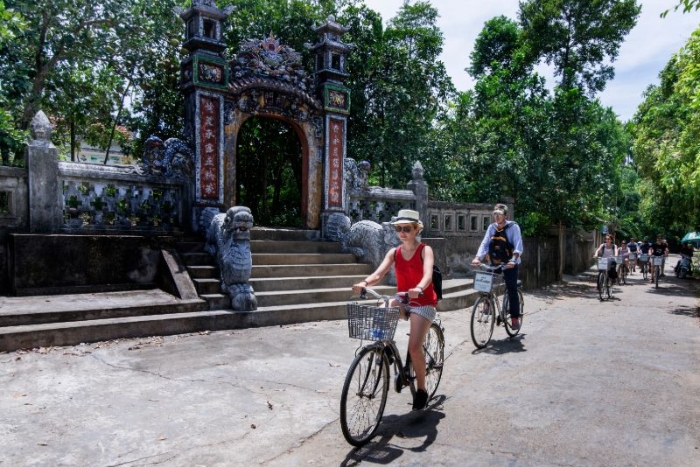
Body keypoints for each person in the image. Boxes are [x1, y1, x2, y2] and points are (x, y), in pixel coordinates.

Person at [352, 209, 438, 411]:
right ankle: (385, 347)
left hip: (423, 301)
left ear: (417, 229)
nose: (402, 232)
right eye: (399, 228)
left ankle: (422, 390)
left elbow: (428, 275)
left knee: (414, 348)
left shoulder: (425, 250)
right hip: (404, 299)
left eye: (407, 228)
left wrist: (419, 288)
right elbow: (378, 273)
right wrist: (365, 283)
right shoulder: (394, 252)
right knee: (382, 307)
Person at [471, 203, 524, 330]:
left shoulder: (513, 227)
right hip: (495, 261)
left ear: (506, 215)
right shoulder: (491, 227)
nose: (497, 217)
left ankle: (515, 318)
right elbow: (485, 243)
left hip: (510, 262)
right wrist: (478, 257)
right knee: (486, 282)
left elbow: (518, 245)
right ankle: (487, 304)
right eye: (495, 214)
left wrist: (514, 260)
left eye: (499, 214)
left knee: (511, 289)